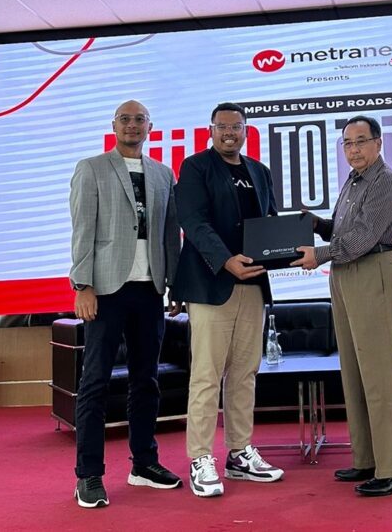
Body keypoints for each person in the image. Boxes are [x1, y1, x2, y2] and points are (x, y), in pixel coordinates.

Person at [292, 115, 392, 497]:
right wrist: (317, 225)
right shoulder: (354, 180)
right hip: (346, 272)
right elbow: (344, 232)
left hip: (372, 270)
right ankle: (367, 458)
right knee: (355, 371)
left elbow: (363, 237)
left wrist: (319, 254)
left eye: (361, 141)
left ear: (378, 143)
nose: (354, 149)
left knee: (380, 372)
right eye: (347, 142)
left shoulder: (385, 182)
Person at [69, 100, 182, 508]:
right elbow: (82, 229)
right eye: (125, 119)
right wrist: (82, 284)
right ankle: (89, 475)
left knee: (146, 380)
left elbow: (170, 234)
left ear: (150, 126)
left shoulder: (163, 174)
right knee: (95, 382)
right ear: (114, 125)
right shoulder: (92, 168)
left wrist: (174, 284)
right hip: (105, 290)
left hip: (150, 289)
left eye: (139, 120)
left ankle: (144, 464)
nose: (132, 125)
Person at [172, 102, 284, 497]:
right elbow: (193, 221)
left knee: (244, 373)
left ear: (246, 131)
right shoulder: (195, 167)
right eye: (222, 127)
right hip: (210, 285)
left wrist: (287, 249)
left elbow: (270, 223)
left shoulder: (260, 172)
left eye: (236, 127)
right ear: (211, 130)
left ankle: (239, 453)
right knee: (207, 374)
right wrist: (225, 260)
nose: (229, 133)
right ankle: (200, 458)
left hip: (252, 284)